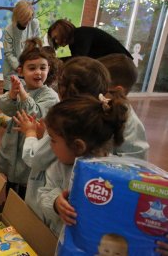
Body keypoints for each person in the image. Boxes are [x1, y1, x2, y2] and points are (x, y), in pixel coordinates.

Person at [19, 56, 150, 222]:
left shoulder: (67, 120)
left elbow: (35, 158)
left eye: (53, 139)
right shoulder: (120, 114)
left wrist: (30, 134)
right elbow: (138, 165)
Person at [33, 93, 128, 236]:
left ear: (78, 146)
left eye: (52, 140)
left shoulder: (117, 174)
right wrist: (55, 203)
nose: (50, 146)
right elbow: (43, 195)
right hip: (60, 240)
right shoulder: (58, 168)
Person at [0, 38, 59, 198]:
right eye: (32, 68)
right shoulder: (20, 88)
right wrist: (12, 95)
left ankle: (21, 211)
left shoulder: (50, 95)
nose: (38, 72)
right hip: (13, 142)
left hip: (31, 143)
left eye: (42, 68)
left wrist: (22, 94)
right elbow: (5, 108)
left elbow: (34, 114)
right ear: (21, 71)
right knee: (11, 178)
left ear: (48, 69)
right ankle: (8, 206)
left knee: (26, 182)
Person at [98, 53, 149, 159]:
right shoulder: (101, 108)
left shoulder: (131, 124)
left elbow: (135, 164)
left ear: (117, 90)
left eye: (98, 87)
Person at [2, 0, 41, 93]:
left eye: (29, 18)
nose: (27, 22)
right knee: (10, 100)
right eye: (25, 19)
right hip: (13, 69)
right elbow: (8, 53)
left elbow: (38, 44)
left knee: (27, 99)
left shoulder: (34, 24)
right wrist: (19, 67)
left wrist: (30, 65)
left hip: (30, 67)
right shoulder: (9, 30)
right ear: (17, 17)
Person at [47, 19, 132, 60]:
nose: (56, 41)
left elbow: (79, 60)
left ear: (62, 31)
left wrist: (55, 61)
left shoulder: (81, 34)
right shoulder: (73, 44)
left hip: (123, 62)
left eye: (56, 38)